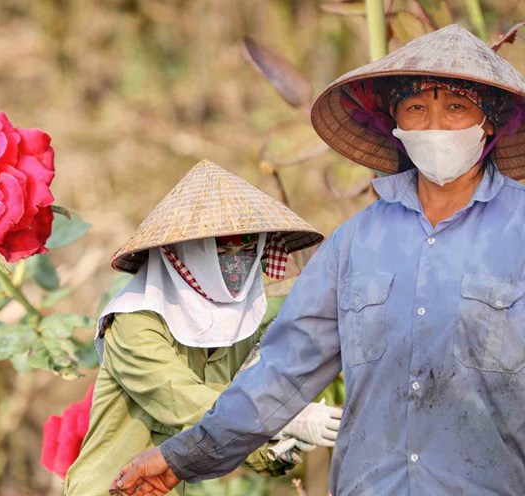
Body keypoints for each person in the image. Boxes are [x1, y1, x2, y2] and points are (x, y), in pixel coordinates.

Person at [110, 24, 525, 496]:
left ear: (488, 121)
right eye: (416, 108)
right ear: (394, 123)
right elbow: (283, 371)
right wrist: (181, 457)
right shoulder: (354, 244)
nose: (433, 125)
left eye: (455, 108)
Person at [63, 159, 340, 495]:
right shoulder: (134, 322)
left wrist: (279, 448)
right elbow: (183, 400)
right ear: (187, 252)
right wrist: (283, 418)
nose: (237, 260)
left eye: (249, 247)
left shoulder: (240, 326)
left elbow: (225, 425)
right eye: (223, 247)